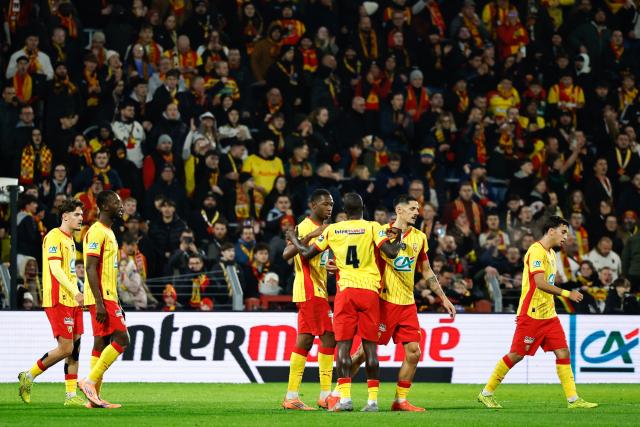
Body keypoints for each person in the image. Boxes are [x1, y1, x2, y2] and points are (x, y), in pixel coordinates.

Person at [287, 193, 403, 412]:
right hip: (368, 291)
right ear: (362, 208)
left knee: (341, 345)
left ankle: (344, 399)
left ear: (343, 210)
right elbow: (391, 253)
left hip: (345, 292)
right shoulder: (372, 227)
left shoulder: (332, 230)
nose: (329, 207)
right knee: (369, 348)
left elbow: (307, 253)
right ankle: (372, 401)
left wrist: (293, 239)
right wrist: (398, 239)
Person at [477, 216, 598, 409]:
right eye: (563, 232)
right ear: (551, 230)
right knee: (516, 354)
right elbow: (540, 283)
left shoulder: (551, 253)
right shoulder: (536, 251)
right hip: (531, 314)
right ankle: (486, 393)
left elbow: (547, 283)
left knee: (563, 352)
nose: (566, 237)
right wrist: (567, 293)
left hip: (548, 315)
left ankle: (573, 400)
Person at [349, 195, 456, 411]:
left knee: (414, 352)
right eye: (412, 208)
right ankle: (338, 391)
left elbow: (426, 271)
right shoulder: (381, 232)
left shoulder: (420, 237)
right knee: (362, 354)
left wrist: (443, 298)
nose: (417, 212)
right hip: (383, 302)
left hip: (407, 304)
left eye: (418, 208)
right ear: (399, 210)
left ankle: (400, 400)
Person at [17, 199, 85, 407]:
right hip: (58, 298)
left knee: (75, 348)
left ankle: (71, 396)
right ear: (65, 216)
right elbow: (55, 270)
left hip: (73, 300)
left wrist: (81, 292)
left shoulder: (71, 240)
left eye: (81, 215)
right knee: (65, 348)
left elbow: (71, 272)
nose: (81, 218)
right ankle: (28, 375)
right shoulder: (53, 237)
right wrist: (75, 291)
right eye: (77, 214)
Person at [281, 189, 335, 410]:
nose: (329, 207)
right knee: (330, 337)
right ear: (313, 205)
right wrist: (307, 237)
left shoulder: (325, 228)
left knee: (304, 341)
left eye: (331, 204)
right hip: (310, 289)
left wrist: (329, 265)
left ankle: (291, 397)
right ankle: (325, 395)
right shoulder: (306, 226)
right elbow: (287, 253)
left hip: (315, 289)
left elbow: (318, 257)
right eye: (325, 204)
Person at [79, 191, 128, 409]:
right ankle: (89, 382)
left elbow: (107, 271)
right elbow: (89, 267)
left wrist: (116, 302)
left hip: (108, 296)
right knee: (123, 339)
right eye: (116, 202)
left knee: (102, 342)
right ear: (103, 206)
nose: (121, 205)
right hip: (101, 297)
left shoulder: (108, 231)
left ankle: (94, 399)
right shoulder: (96, 231)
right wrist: (100, 302)